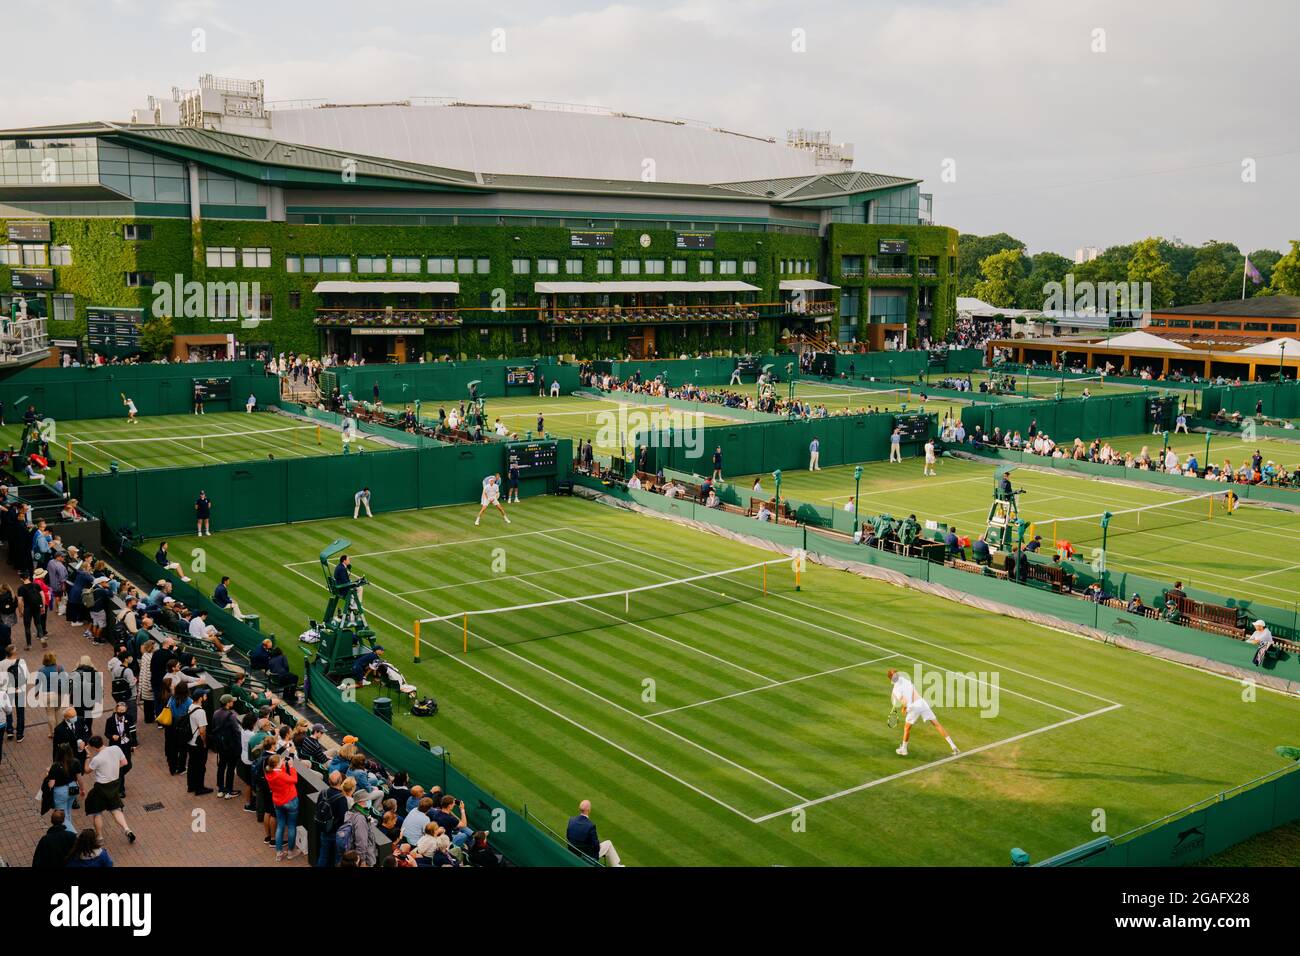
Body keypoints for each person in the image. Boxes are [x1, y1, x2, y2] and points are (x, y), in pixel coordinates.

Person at [888, 668, 959, 757]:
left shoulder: (895, 690)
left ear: (890, 679)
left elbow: (905, 702)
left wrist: (904, 708)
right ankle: (953, 746)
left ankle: (904, 749)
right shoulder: (904, 679)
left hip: (914, 707)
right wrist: (905, 706)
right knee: (936, 724)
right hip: (922, 702)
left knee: (907, 728)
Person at [80, 735, 136, 845]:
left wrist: (87, 757)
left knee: (97, 812)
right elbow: (124, 763)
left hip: (101, 788)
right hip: (114, 785)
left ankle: (100, 837)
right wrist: (113, 766)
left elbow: (86, 770)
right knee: (116, 809)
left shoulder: (97, 759)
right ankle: (127, 829)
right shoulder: (116, 748)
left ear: (94, 748)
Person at [265, 753, 302, 861]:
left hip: (277, 802)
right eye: (280, 761)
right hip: (290, 801)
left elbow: (280, 771)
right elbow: (294, 780)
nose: (282, 761)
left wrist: (283, 765)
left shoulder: (269, 773)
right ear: (276, 765)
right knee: (291, 826)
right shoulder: (280, 775)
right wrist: (291, 767)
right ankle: (290, 852)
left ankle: (279, 852)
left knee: (280, 826)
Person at [566, 798, 623, 867]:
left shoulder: (571, 820)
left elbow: (568, 836)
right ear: (589, 810)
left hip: (573, 852)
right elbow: (596, 847)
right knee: (608, 843)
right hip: (587, 856)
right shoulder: (590, 826)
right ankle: (616, 865)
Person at [314, 771, 350, 867]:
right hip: (336, 833)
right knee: (338, 858)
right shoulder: (342, 799)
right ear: (340, 781)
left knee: (323, 855)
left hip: (324, 829)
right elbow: (344, 818)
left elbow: (317, 807)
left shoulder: (323, 792)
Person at [103, 700, 136, 797]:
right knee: (120, 769)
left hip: (126, 746)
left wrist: (133, 744)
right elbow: (106, 733)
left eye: (123, 711)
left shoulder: (129, 718)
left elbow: (133, 731)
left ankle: (116, 777)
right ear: (116, 710)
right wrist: (112, 736)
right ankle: (121, 789)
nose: (121, 713)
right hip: (115, 747)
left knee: (128, 765)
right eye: (119, 710)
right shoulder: (110, 720)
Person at [186, 686, 213, 795]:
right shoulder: (201, 712)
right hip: (198, 743)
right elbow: (202, 731)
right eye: (205, 695)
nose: (206, 696)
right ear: (201, 698)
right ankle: (199, 788)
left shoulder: (191, 706)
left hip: (190, 741)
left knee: (192, 765)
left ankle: (191, 786)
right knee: (200, 766)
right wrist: (205, 743)